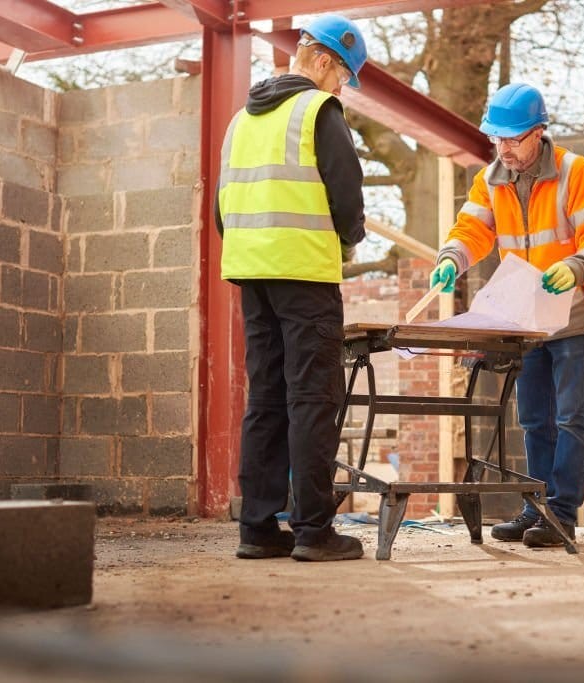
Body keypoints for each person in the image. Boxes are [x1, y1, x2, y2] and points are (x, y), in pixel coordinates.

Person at [429, 82, 584, 548]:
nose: (504, 148)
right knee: (534, 418)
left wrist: (574, 268)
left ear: (538, 133)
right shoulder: (490, 178)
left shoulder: (576, 171)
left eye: (513, 139)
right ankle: (535, 506)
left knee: (572, 417)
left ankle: (561, 515)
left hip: (575, 316)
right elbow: (473, 228)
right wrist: (453, 257)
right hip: (527, 321)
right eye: (497, 138)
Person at [215, 14, 368, 561]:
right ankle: (312, 531)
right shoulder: (317, 110)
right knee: (312, 397)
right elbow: (346, 195)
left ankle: (257, 527)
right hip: (304, 272)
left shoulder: (242, 120)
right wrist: (348, 241)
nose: (342, 85)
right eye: (344, 74)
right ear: (323, 60)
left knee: (266, 396)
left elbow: (220, 208)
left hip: (251, 273)